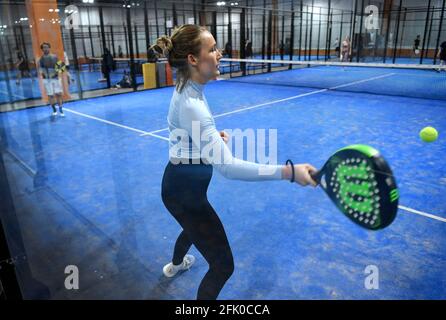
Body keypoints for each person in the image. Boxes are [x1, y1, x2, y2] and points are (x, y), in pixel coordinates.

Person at [160, 24, 317, 300]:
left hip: (181, 185)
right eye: (212, 49)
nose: (219, 54)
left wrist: (205, 139)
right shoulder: (192, 105)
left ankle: (174, 266)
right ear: (193, 60)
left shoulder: (189, 87)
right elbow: (229, 168)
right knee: (222, 266)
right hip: (184, 193)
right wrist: (289, 172)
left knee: (191, 228)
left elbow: (182, 129)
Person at [38, 42, 64, 117]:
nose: (45, 48)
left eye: (47, 47)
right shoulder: (41, 59)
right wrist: (46, 74)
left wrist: (55, 74)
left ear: (49, 48)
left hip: (56, 78)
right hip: (47, 79)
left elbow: (61, 68)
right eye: (44, 47)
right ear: (42, 49)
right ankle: (54, 110)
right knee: (50, 95)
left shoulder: (55, 57)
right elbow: (40, 70)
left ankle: (61, 110)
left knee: (58, 94)